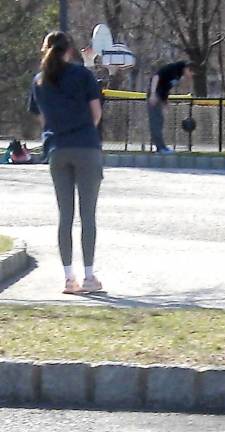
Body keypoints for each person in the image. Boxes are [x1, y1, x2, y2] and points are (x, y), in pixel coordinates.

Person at [29, 31, 103, 295]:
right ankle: (90, 277)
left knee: (65, 217)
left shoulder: (39, 81)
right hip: (85, 146)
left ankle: (68, 278)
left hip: (57, 150)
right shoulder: (83, 75)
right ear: (70, 50)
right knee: (88, 216)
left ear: (45, 49)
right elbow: (96, 113)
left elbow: (42, 119)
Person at [147, 61, 194, 154]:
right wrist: (152, 94)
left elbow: (166, 87)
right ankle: (160, 148)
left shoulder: (178, 75)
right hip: (154, 96)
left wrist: (165, 103)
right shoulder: (173, 68)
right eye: (191, 73)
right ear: (187, 68)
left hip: (161, 97)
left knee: (160, 122)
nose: (190, 76)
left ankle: (162, 147)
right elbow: (156, 77)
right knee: (155, 122)